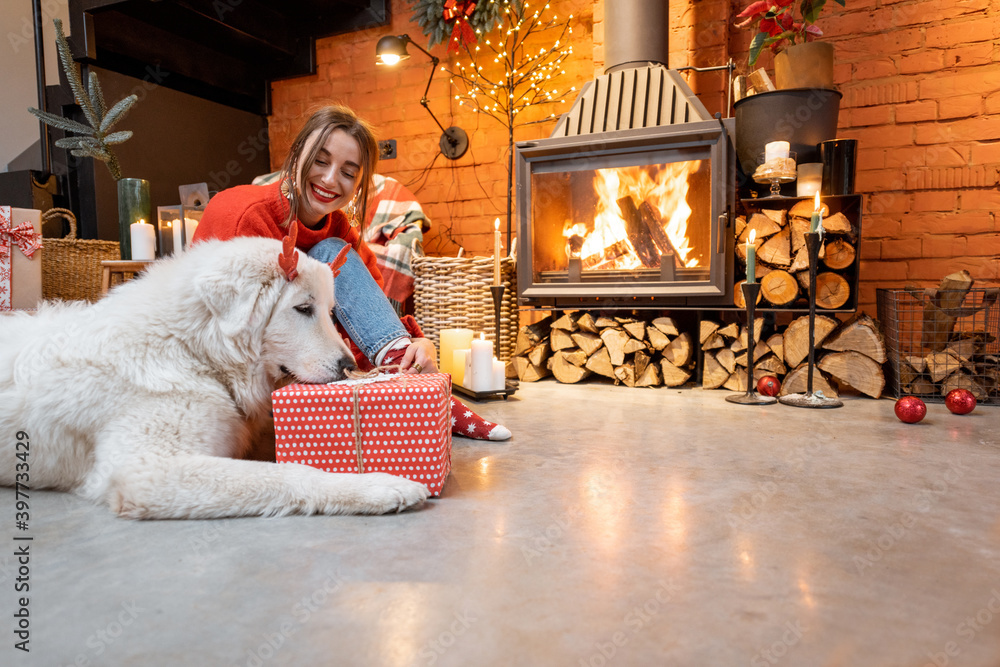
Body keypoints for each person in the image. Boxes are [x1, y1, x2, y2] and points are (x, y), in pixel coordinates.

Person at [192, 105, 510, 441]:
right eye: (320, 160)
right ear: (298, 153)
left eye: (348, 171)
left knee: (330, 251)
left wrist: (413, 350)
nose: (330, 180)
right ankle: (426, 401)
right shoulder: (244, 216)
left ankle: (422, 392)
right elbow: (226, 337)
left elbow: (365, 331)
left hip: (300, 369)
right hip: (234, 376)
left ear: (359, 184)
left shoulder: (340, 233)